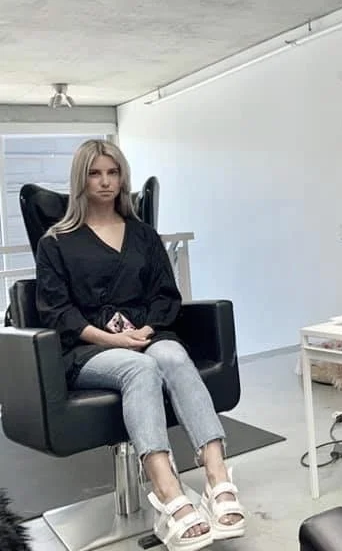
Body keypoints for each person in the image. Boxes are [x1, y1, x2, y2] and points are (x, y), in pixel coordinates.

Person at [35, 140, 246, 551]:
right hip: (89, 349)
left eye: (113, 173)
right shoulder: (55, 243)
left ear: (122, 177)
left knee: (171, 354)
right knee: (141, 368)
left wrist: (146, 331)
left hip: (147, 336)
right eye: (95, 173)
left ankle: (218, 479)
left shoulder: (144, 235)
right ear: (80, 179)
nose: (105, 182)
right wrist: (112, 339)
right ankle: (166, 491)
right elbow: (57, 313)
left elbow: (165, 295)